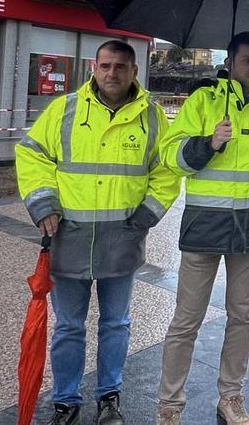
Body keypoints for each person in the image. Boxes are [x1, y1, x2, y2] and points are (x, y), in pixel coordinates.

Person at [15, 40, 180, 425]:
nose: (112, 74)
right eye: (105, 66)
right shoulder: (65, 109)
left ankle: (109, 396)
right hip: (69, 237)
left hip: (122, 238)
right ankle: (66, 400)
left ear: (134, 71)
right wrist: (42, 204)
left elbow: (166, 170)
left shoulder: (153, 116)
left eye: (120, 67)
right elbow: (32, 153)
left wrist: (147, 214)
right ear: (93, 66)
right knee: (69, 326)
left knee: (116, 324)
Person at [156, 31, 249, 425]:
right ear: (230, 61)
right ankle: (170, 405)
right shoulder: (204, 100)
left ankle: (231, 397)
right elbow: (171, 155)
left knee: (242, 316)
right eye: (247, 60)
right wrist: (208, 143)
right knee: (186, 320)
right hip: (204, 225)